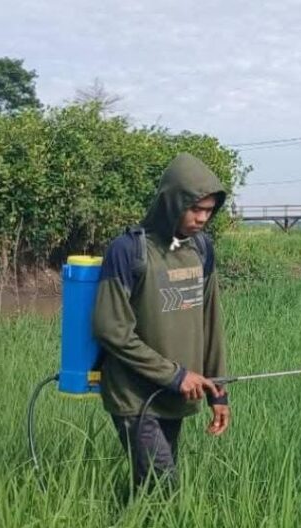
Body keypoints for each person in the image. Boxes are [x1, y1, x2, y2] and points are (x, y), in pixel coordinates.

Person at [93, 153, 230, 491]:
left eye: (208, 210)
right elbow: (111, 328)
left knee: (156, 487)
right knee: (162, 487)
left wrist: (219, 392)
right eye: (194, 208)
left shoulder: (201, 248)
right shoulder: (128, 250)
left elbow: (210, 323)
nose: (202, 218)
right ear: (171, 201)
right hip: (134, 394)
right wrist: (175, 375)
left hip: (178, 394)